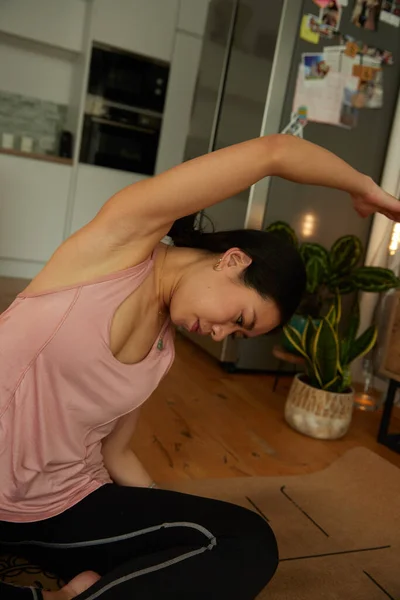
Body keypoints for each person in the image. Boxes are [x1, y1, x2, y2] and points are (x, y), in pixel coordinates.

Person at [0, 134, 399, 600]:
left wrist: (162, 519)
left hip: (62, 507)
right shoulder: (116, 245)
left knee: (248, 542)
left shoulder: (161, 352)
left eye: (238, 335)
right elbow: (274, 152)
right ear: (232, 261)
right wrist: (367, 189)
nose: (220, 333)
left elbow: (116, 453)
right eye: (238, 319)